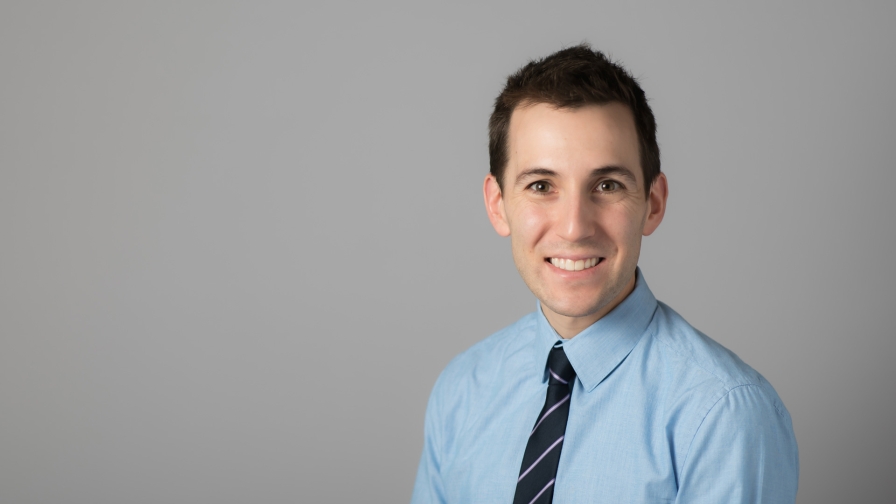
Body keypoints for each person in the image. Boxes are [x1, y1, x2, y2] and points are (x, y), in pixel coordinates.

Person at [411, 44, 799, 503]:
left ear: (652, 204)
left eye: (607, 185)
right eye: (541, 186)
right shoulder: (461, 390)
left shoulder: (723, 415)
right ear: (498, 205)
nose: (575, 227)